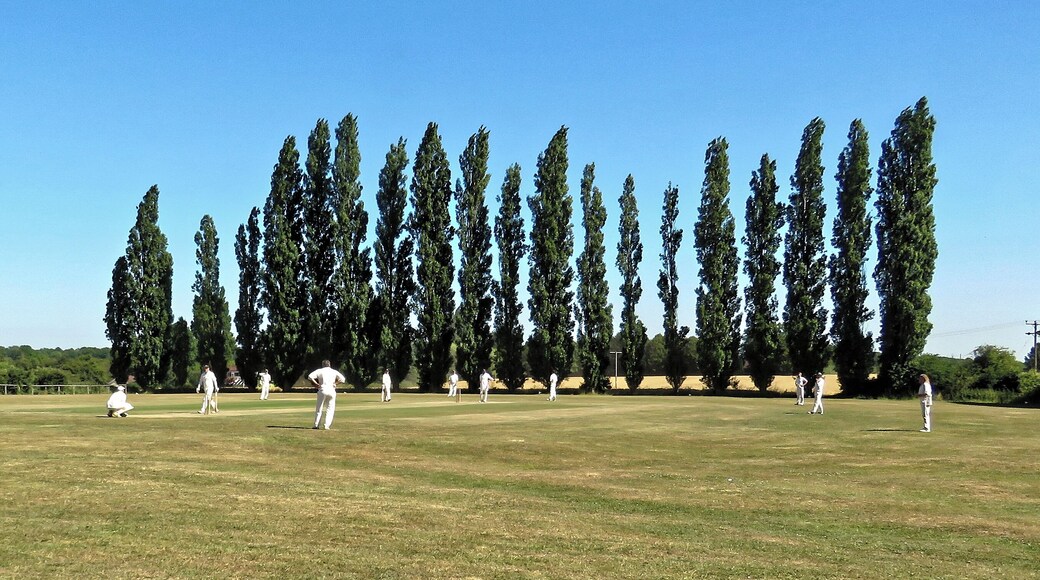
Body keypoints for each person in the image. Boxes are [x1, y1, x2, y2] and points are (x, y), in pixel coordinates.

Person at [309, 360, 345, 430]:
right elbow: (343, 379)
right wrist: (335, 383)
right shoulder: (334, 371)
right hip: (331, 390)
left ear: (323, 365)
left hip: (322, 390)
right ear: (329, 364)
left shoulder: (319, 371)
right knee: (330, 409)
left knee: (319, 408)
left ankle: (316, 425)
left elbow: (310, 376)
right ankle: (326, 425)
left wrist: (316, 384)